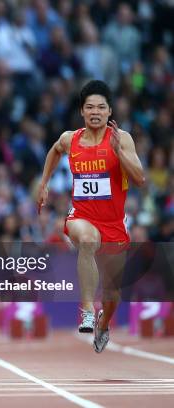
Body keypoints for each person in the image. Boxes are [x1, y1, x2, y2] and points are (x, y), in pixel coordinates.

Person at [37, 80, 144, 352]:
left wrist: (119, 152)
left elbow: (140, 179)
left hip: (114, 224)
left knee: (113, 295)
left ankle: (104, 322)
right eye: (89, 107)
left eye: (101, 107)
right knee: (86, 241)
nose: (95, 112)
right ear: (82, 112)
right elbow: (54, 150)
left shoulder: (123, 139)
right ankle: (86, 309)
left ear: (109, 112)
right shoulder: (70, 139)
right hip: (82, 216)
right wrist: (44, 182)